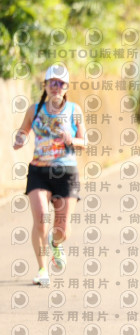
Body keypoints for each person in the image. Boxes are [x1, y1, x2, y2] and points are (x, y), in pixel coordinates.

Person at [13, 64, 86, 286]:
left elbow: (84, 141)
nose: (56, 87)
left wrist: (72, 140)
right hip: (39, 171)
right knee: (41, 220)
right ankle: (42, 268)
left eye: (61, 83)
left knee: (61, 228)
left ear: (67, 87)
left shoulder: (74, 110)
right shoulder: (34, 110)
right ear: (45, 85)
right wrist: (20, 138)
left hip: (66, 172)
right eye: (52, 82)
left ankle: (56, 243)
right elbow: (23, 130)